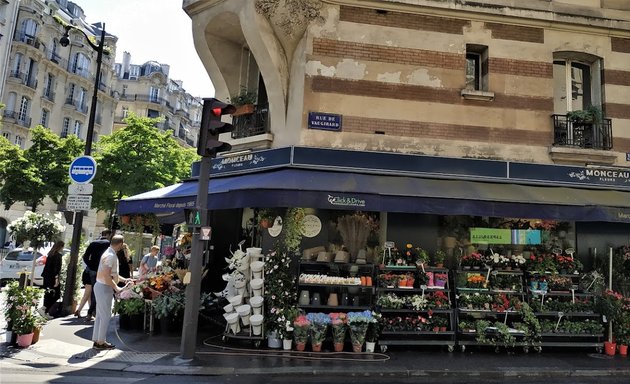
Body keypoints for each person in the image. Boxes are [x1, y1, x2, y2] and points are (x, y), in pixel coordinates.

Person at [92, 234, 130, 350]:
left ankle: (97, 339)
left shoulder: (108, 253)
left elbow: (112, 274)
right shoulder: (110, 255)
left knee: (100, 315)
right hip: (104, 287)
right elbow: (107, 275)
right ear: (120, 244)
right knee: (105, 315)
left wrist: (124, 280)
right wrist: (117, 288)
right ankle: (100, 342)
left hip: (101, 286)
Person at [82, 229, 112, 321]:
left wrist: (90, 265)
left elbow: (85, 256)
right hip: (102, 270)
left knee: (94, 291)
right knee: (101, 291)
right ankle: (94, 312)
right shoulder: (108, 244)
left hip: (93, 270)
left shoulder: (93, 243)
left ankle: (92, 312)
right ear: (108, 235)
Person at [40, 240, 64, 319]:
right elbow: (56, 269)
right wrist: (56, 279)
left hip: (46, 276)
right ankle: (44, 308)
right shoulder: (58, 256)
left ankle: (45, 311)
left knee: (48, 293)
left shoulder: (50, 254)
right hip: (53, 277)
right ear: (60, 247)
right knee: (56, 295)